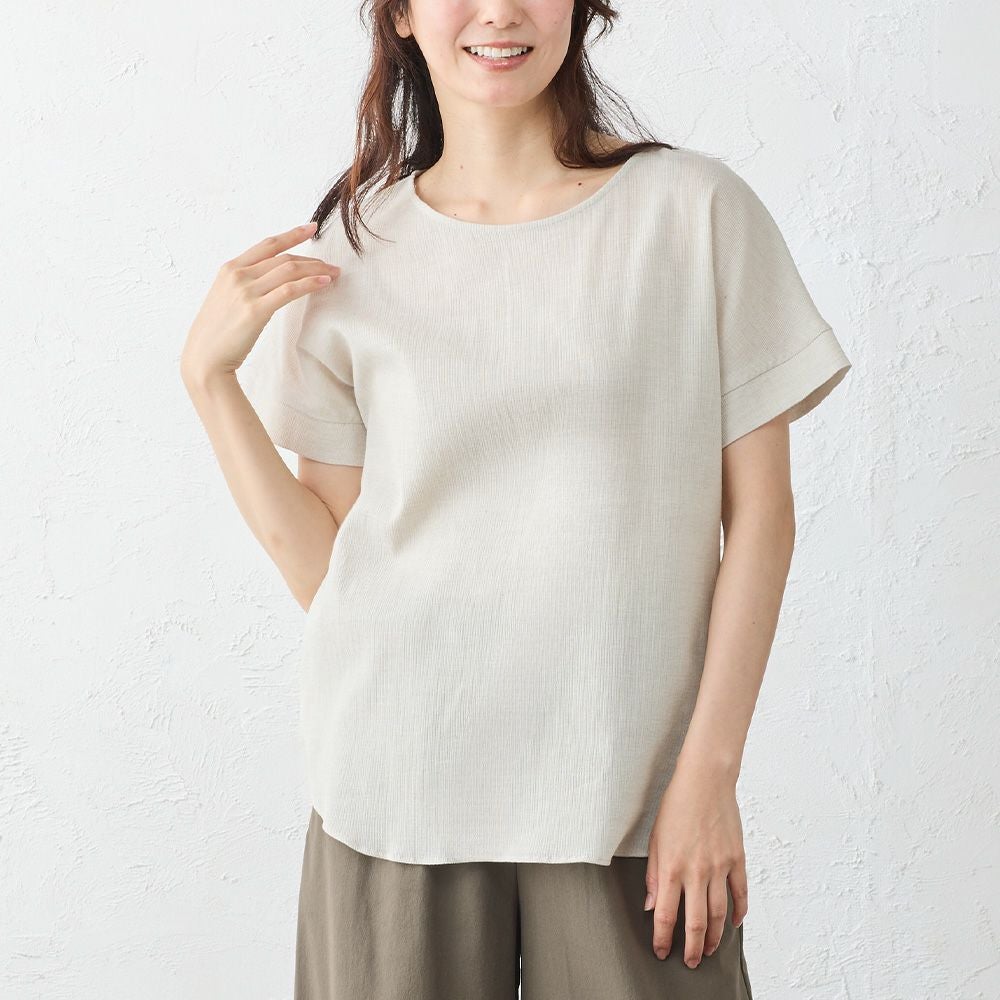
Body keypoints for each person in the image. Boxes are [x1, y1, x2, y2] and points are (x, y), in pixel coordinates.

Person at [181, 2, 852, 998]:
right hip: (395, 790)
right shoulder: (351, 253)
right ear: (399, 13)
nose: (498, 11)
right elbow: (333, 571)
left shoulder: (691, 212)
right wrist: (210, 384)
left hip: (628, 792)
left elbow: (761, 517)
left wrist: (707, 776)